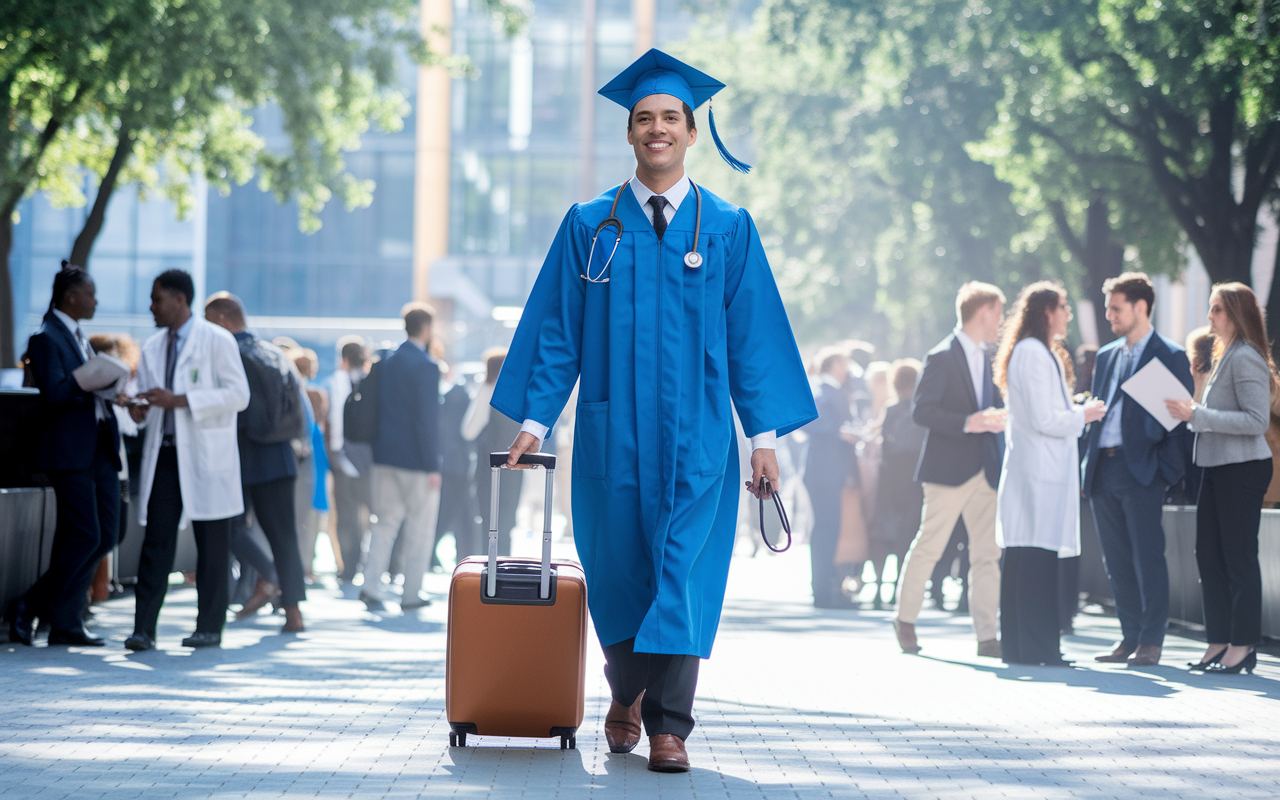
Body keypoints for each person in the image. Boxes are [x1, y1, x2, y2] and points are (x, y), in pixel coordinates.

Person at [491, 50, 816, 773]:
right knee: (618, 570)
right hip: (613, 436)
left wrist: (762, 437)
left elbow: (753, 338)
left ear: (692, 133)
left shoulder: (727, 227)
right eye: (645, 119)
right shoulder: (589, 226)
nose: (658, 129)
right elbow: (556, 330)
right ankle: (625, 689)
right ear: (630, 134)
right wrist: (534, 420)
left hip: (700, 437)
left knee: (684, 571)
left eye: (671, 117)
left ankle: (670, 725)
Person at [125, 270, 250, 651]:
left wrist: (180, 400)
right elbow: (147, 391)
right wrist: (139, 407)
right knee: (156, 542)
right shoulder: (153, 345)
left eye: (156, 299)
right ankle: (143, 629)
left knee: (212, 544)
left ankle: (209, 627)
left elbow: (238, 395)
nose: (151, 308)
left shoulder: (217, 340)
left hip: (206, 456)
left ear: (180, 300)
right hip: (164, 455)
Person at [1080, 272, 1193, 667]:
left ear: (1140, 307)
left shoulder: (1171, 354)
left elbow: (1178, 424)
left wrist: (1165, 473)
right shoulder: (1108, 355)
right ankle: (1129, 637)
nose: (1109, 315)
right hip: (1103, 469)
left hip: (1142, 470)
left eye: (1116, 308)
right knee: (1116, 559)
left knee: (1148, 557)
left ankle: (1151, 640)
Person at [7, 265, 122, 647]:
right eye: (90, 293)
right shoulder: (46, 338)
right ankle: (32, 606)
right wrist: (89, 378)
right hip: (69, 451)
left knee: (107, 533)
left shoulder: (77, 335)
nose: (96, 300)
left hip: (100, 447)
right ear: (71, 297)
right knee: (86, 535)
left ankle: (65, 621)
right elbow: (56, 393)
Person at [1166, 283, 1276, 675]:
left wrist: (1197, 415)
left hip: (1242, 469)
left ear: (1236, 314)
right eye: (1210, 309)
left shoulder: (1246, 357)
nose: (1210, 316)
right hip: (1216, 468)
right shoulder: (1222, 354)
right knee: (1208, 556)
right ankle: (1219, 641)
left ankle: (1243, 645)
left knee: (1237, 558)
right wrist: (1193, 409)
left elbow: (1255, 421)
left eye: (1217, 310)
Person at [994, 283, 1106, 666]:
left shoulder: (1030, 353)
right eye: (1063, 307)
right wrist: (1084, 415)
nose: (1068, 314)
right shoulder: (1035, 354)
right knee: (1035, 562)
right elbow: (1045, 419)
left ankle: (1021, 648)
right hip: (1039, 472)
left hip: (1035, 470)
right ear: (1046, 311)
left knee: (1024, 560)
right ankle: (1039, 648)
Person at [893, 282, 1006, 658]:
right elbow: (921, 411)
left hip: (985, 469)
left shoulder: (993, 356)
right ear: (984, 312)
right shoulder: (941, 355)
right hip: (947, 470)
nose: (1001, 321)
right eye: (999, 312)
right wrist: (968, 422)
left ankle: (987, 636)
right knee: (929, 546)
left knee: (986, 554)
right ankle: (905, 619)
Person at [204, 292, 308, 633]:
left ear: (220, 318)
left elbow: (235, 405)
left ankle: (269, 578)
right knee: (284, 536)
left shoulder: (230, 352)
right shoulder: (273, 352)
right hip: (281, 454)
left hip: (243, 452)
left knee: (228, 527)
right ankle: (293, 613)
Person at [358, 303, 441, 611]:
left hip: (383, 455)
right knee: (419, 528)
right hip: (417, 462)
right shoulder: (427, 366)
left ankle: (370, 586)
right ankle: (411, 594)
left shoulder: (386, 361)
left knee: (384, 524)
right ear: (427, 328)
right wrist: (433, 464)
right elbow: (427, 420)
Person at [802, 348, 859, 608]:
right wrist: (839, 432)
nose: (848, 369)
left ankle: (825, 590)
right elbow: (808, 421)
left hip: (828, 473)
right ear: (835, 364)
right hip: (823, 473)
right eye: (845, 363)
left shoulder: (830, 389)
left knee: (828, 530)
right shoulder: (822, 388)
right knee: (826, 530)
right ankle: (823, 592)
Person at [869, 359, 925, 609]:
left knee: (883, 533)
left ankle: (880, 588)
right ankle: (898, 590)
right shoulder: (922, 409)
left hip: (891, 479)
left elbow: (885, 445)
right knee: (909, 535)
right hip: (916, 478)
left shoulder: (890, 410)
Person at [461, 348, 523, 559]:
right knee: (507, 519)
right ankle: (506, 565)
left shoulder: (487, 389)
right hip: (515, 466)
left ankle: (488, 569)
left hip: (489, 466)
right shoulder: (517, 392)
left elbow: (468, 431)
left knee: (488, 519)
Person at [327, 336, 371, 583]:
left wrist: (337, 453)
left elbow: (336, 419)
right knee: (373, 513)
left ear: (343, 358)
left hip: (343, 456)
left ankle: (349, 566)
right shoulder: (371, 381)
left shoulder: (338, 380)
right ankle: (375, 564)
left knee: (346, 516)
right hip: (367, 457)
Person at [434, 361, 478, 565]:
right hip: (457, 465)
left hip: (449, 463)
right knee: (457, 515)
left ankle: (457, 556)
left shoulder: (447, 398)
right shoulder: (462, 396)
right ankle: (463, 556)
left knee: (450, 514)